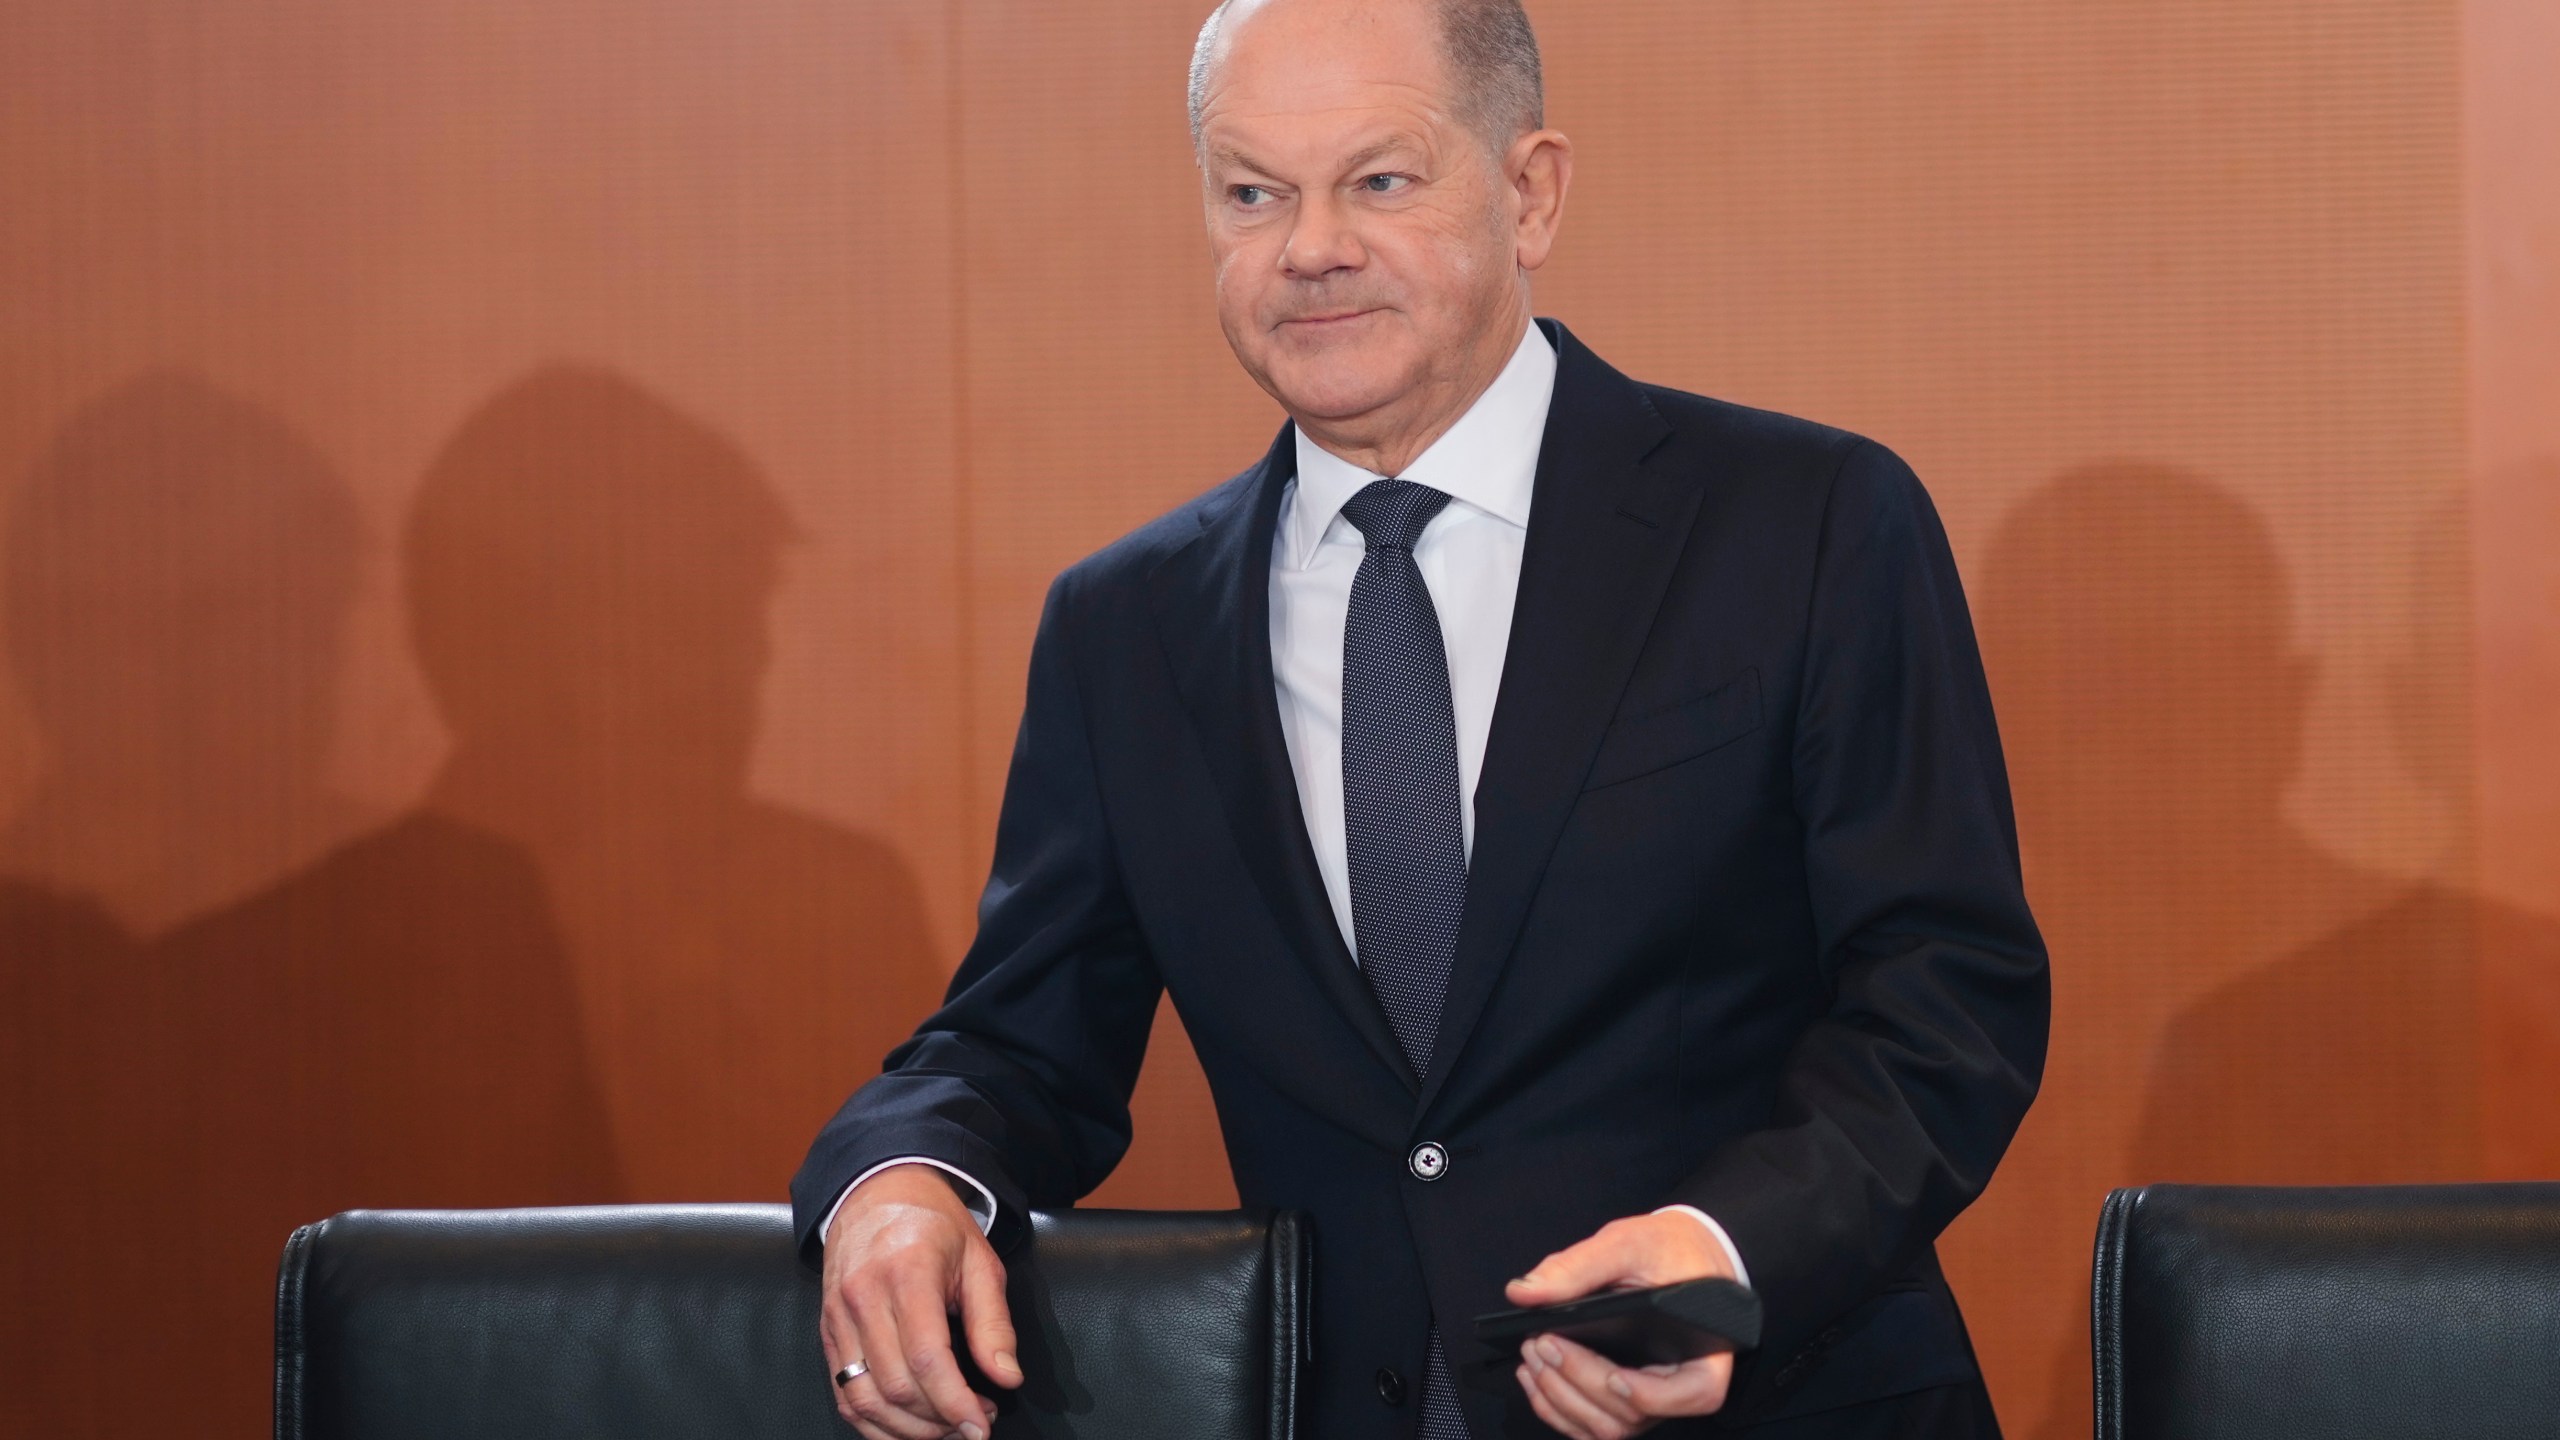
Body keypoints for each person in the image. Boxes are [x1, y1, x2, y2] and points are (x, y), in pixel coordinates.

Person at [793, 2, 2048, 1437]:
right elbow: (1020, 1046)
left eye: (1378, 181)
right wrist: (898, 1184)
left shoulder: (1807, 522)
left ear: (1531, 192)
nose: (1309, 246)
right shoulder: (1124, 627)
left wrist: (1729, 1258)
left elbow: (1946, 997)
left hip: (1776, 1398)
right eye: (1253, 192)